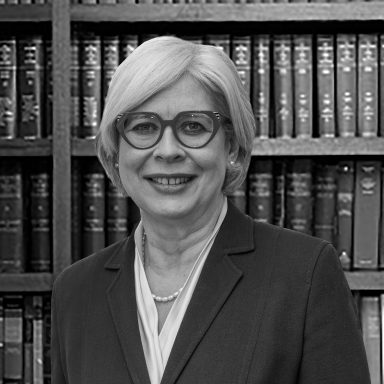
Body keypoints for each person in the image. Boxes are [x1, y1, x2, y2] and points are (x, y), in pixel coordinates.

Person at [51, 36, 370, 384]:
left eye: (193, 127)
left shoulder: (304, 275)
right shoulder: (76, 291)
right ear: (116, 150)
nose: (168, 151)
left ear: (230, 146)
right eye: (144, 127)